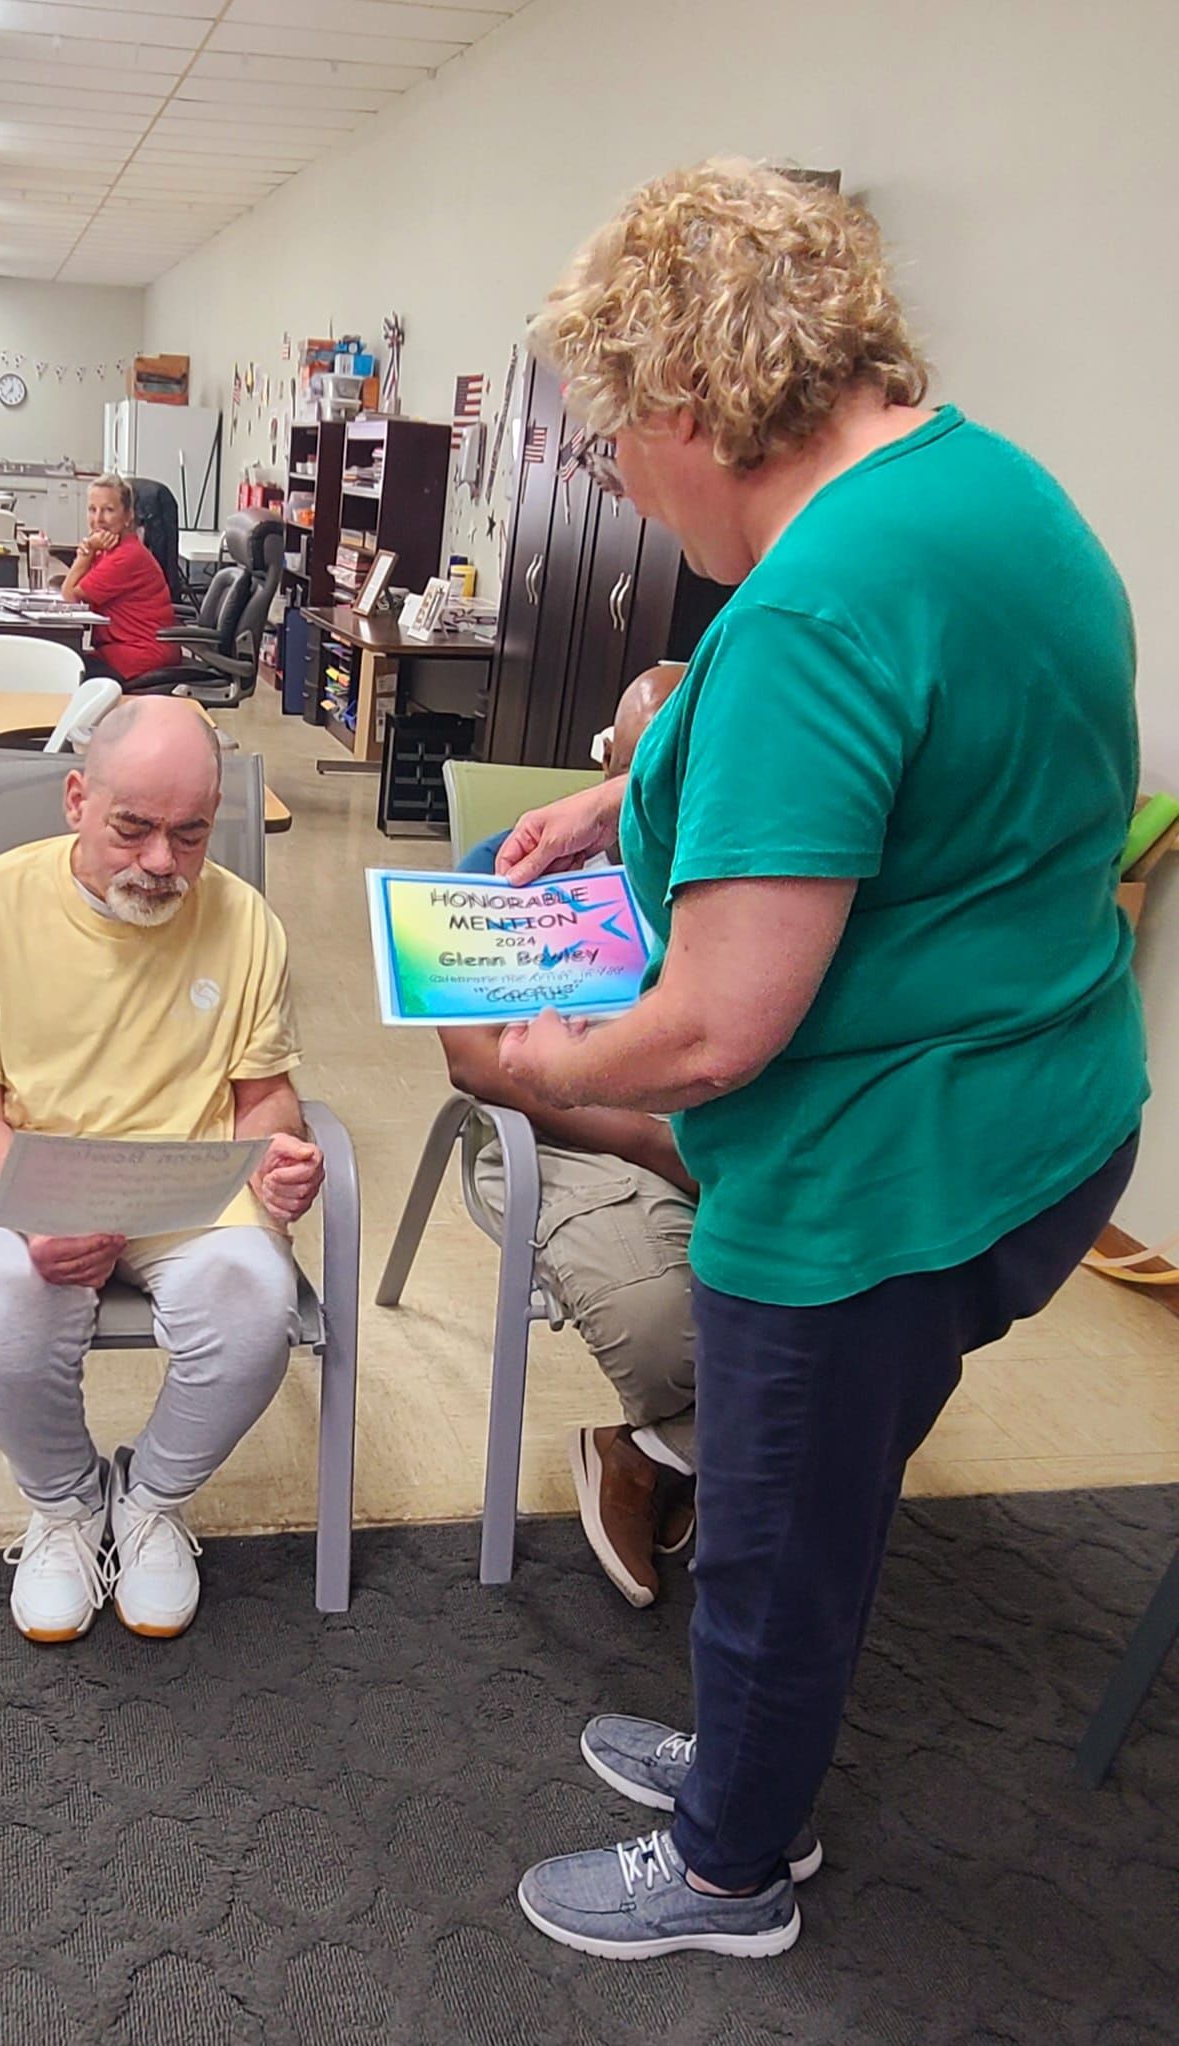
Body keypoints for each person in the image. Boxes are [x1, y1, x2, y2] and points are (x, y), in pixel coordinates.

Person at [496, 160, 1145, 1963]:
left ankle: (729, 1866)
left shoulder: (804, 608)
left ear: (692, 407)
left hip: (885, 1167)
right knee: (829, 1495)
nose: (619, 483)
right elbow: (923, 745)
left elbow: (711, 1025)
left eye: (616, 443)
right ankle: (744, 1760)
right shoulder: (980, 488)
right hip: (1050, 1106)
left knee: (782, 1537)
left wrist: (543, 1060)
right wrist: (632, 789)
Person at [0, 696, 323, 1644]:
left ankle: (152, 1499)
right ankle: (66, 1505)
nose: (162, 863)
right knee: (9, 1315)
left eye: (190, 835)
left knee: (256, 1316)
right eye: (132, 829)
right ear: (77, 799)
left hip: (191, 1192)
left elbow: (264, 1097)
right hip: (28, 1181)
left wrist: (280, 1157)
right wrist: (32, 1208)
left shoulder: (246, 921)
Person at [439, 664, 697, 1607]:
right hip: (570, 1134)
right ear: (608, 767)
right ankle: (695, 1448)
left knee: (878, 1315)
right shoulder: (518, 867)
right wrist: (648, 1141)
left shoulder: (750, 877)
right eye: (647, 770)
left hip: (718, 1122)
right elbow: (474, 1065)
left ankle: (653, 1455)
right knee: (677, 1337)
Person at [62, 472, 176, 686]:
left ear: (128, 516)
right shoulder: (108, 550)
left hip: (141, 652)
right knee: (62, 663)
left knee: (63, 673)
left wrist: (85, 553)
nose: (98, 520)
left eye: (108, 510)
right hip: (118, 649)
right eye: (92, 509)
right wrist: (90, 552)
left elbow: (69, 597)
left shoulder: (127, 556)